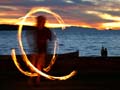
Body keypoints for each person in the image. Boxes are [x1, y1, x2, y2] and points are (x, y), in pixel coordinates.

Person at [27, 15, 52, 86]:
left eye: (42, 21)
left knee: (39, 65)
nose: (41, 22)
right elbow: (31, 38)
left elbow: (50, 39)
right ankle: (31, 79)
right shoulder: (35, 30)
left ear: (44, 22)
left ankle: (38, 79)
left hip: (42, 50)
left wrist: (44, 40)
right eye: (39, 21)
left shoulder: (46, 30)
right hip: (35, 49)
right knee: (33, 64)